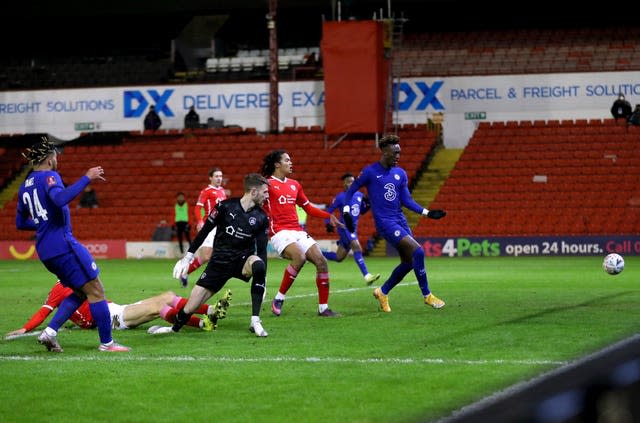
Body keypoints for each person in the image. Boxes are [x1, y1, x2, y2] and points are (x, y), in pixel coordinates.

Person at [16, 136, 129, 352]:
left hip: (45, 250)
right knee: (96, 289)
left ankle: (49, 333)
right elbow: (59, 199)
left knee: (80, 291)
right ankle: (107, 343)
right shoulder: (50, 176)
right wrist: (87, 177)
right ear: (50, 159)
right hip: (63, 245)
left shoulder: (24, 186)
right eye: (56, 157)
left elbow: (20, 223)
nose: (57, 161)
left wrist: (43, 225)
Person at [341, 134, 447, 313]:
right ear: (384, 152)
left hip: (400, 220)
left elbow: (407, 200)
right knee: (418, 251)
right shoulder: (370, 172)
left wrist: (427, 212)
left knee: (409, 262)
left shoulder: (400, 173)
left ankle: (382, 292)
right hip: (385, 223)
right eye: (395, 153)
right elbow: (351, 191)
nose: (398, 156)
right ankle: (427, 295)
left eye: (399, 153)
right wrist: (345, 212)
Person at [161, 173, 271, 337]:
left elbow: (262, 251)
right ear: (254, 192)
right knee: (191, 306)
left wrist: (263, 279)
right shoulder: (225, 207)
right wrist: (188, 257)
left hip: (242, 261)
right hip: (219, 263)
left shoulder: (261, 217)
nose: (267, 196)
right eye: (265, 192)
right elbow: (204, 232)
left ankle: (255, 320)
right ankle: (174, 328)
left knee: (258, 264)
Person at [260, 149, 343, 317]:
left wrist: (329, 216)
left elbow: (308, 207)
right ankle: (279, 298)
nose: (291, 163)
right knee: (300, 257)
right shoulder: (267, 184)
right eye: (287, 160)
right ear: (277, 164)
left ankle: (323, 308)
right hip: (279, 232)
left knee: (321, 262)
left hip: (297, 230)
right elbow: (256, 204)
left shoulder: (295, 185)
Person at [4, 280, 228, 338]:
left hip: (116, 309)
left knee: (168, 296)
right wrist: (25, 328)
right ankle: (204, 319)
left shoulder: (76, 279)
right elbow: (44, 312)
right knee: (161, 304)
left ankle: (208, 316)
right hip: (113, 319)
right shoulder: (59, 289)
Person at [324, 172, 380, 285]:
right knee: (356, 247)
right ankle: (367, 276)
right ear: (344, 184)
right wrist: (328, 223)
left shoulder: (359, 195)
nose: (352, 184)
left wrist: (368, 205)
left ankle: (313, 254)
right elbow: (328, 212)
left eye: (353, 182)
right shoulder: (340, 197)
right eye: (349, 182)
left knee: (339, 257)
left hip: (353, 228)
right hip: (345, 228)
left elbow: (361, 212)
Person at [176, 167, 227, 287]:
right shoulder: (206, 191)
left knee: (218, 253)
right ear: (210, 178)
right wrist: (200, 221)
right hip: (211, 226)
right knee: (206, 256)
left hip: (221, 226)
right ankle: (185, 272)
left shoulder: (222, 191)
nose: (219, 178)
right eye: (216, 176)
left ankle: (214, 277)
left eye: (220, 176)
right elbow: (198, 207)